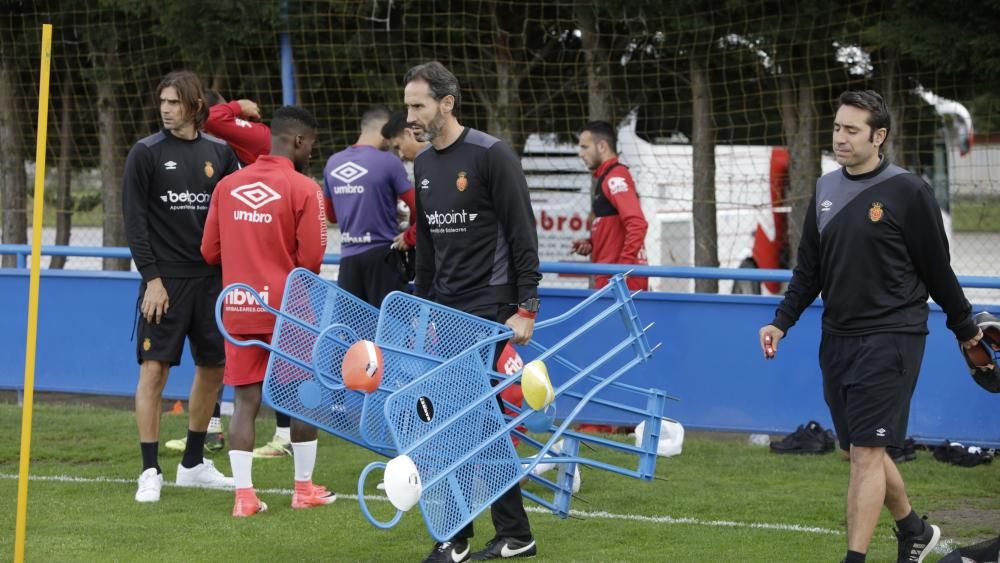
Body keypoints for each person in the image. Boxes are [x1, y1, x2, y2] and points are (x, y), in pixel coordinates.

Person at [757, 90, 982, 563]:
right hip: (837, 338)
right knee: (858, 450)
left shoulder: (909, 191)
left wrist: (964, 325)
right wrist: (781, 322)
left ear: (878, 136)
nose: (840, 137)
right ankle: (914, 530)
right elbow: (809, 272)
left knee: (864, 453)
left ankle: (854, 559)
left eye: (851, 130)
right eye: (837, 127)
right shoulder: (823, 189)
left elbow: (938, 270)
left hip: (894, 336)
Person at [404, 61, 541, 563]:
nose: (411, 115)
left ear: (447, 103)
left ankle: (458, 537)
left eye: (418, 105)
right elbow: (428, 248)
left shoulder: (491, 155)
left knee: (464, 422)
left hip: (491, 306)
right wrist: (422, 311)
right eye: (407, 105)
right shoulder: (421, 164)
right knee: (466, 424)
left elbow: (523, 235)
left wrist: (526, 306)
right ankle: (506, 533)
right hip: (446, 311)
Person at [201, 105, 335, 517]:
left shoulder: (227, 185)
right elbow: (312, 259)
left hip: (239, 306)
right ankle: (303, 489)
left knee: (244, 401)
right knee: (301, 399)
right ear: (297, 140)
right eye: (310, 144)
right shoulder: (303, 187)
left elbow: (209, 251)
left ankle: (244, 498)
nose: (311, 151)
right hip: (289, 309)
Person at [123, 70, 239, 503]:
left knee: (213, 367)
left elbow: (231, 217)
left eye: (174, 102)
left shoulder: (221, 153)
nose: (166, 109)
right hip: (165, 281)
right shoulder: (145, 153)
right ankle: (150, 469)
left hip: (212, 280)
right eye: (163, 102)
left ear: (194, 106)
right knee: (154, 370)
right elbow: (134, 223)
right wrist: (152, 279)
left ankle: (193, 463)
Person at [165, 89, 295, 459]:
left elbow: (217, 118)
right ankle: (212, 430)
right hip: (230, 260)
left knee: (272, 358)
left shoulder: (252, 135)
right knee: (217, 357)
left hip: (260, 261)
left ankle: (284, 435)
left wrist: (240, 107)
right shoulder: (219, 155)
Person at [322, 105, 415, 307]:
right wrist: (410, 234)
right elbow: (417, 205)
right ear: (384, 128)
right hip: (383, 257)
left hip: (349, 261)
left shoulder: (332, 163)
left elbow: (331, 216)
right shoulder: (388, 162)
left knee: (353, 333)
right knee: (391, 332)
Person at [570, 120, 649, 292]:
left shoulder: (615, 177)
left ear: (602, 146)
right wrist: (592, 243)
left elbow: (637, 224)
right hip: (614, 279)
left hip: (620, 282)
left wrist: (622, 269)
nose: (580, 154)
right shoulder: (607, 177)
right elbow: (615, 227)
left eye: (585, 147)